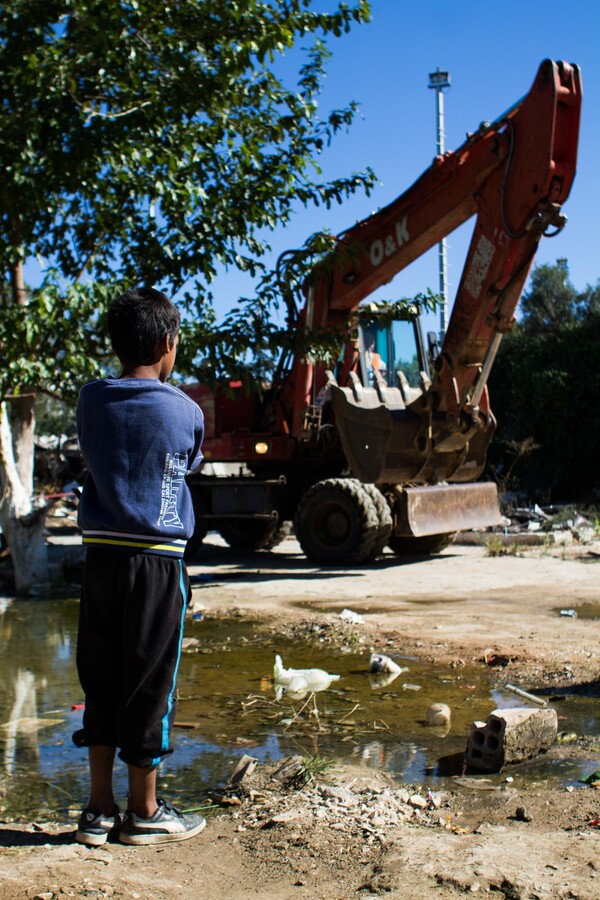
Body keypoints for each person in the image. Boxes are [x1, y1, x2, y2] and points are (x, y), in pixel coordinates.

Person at [73, 286, 206, 846]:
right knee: (151, 683)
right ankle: (145, 811)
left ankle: (99, 811)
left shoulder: (89, 400)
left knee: (100, 678)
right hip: (157, 562)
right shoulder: (186, 409)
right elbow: (188, 460)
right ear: (167, 343)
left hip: (100, 557)